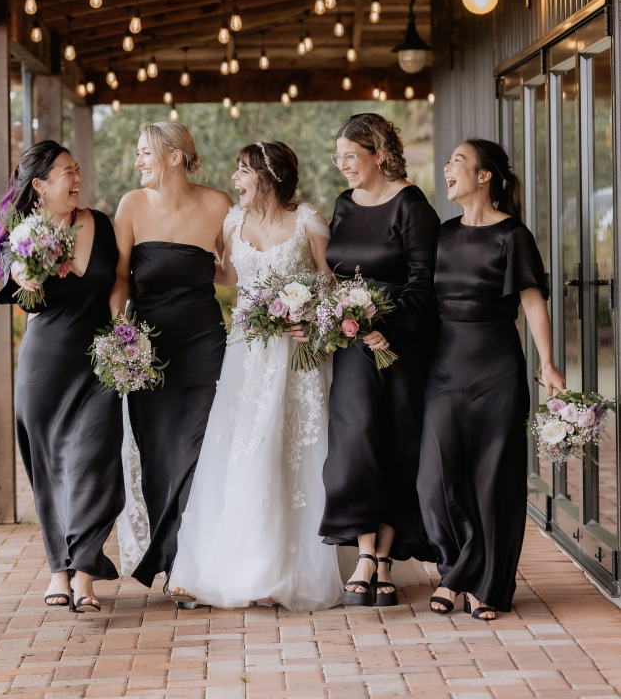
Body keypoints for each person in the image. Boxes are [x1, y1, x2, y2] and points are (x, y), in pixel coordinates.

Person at [167, 141, 343, 611]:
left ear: (267, 177)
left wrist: (310, 314)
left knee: (292, 452)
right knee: (243, 451)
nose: (235, 180)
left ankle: (284, 572)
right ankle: (236, 565)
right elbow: (226, 275)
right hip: (246, 354)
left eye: (242, 172)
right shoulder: (231, 222)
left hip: (296, 353)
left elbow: (332, 282)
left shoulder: (308, 220)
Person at [419, 139, 565, 620]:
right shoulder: (442, 234)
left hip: (497, 368)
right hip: (444, 366)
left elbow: (531, 301)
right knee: (434, 479)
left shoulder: (512, 235)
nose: (448, 168)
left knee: (492, 481)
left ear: (485, 176)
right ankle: (455, 567)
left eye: (458, 161)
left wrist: (547, 363)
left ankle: (481, 585)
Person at [0, 140, 123, 613]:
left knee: (96, 462)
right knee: (48, 472)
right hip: (46, 365)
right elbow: (15, 284)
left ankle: (85, 575)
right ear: (41, 185)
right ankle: (58, 572)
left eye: (77, 168)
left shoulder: (101, 224)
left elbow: (118, 281)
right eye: (67, 171)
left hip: (100, 362)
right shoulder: (23, 234)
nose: (77, 178)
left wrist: (121, 333)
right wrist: (23, 272)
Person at [319, 113, 439, 607]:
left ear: (379, 154)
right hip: (352, 345)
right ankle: (364, 551)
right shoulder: (344, 205)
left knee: (396, 445)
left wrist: (381, 326)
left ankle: (383, 559)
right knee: (354, 444)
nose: (344, 165)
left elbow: (424, 282)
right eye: (339, 157)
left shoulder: (411, 204)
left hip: (400, 345)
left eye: (351, 155)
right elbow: (336, 271)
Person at [111, 122, 232, 590]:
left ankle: (190, 565)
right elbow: (121, 278)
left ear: (176, 156)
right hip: (148, 349)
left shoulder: (220, 204)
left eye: (145, 152)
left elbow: (228, 274)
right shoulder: (132, 205)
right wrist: (120, 331)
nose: (138, 161)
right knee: (158, 452)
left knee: (197, 450)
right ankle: (171, 556)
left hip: (203, 344)